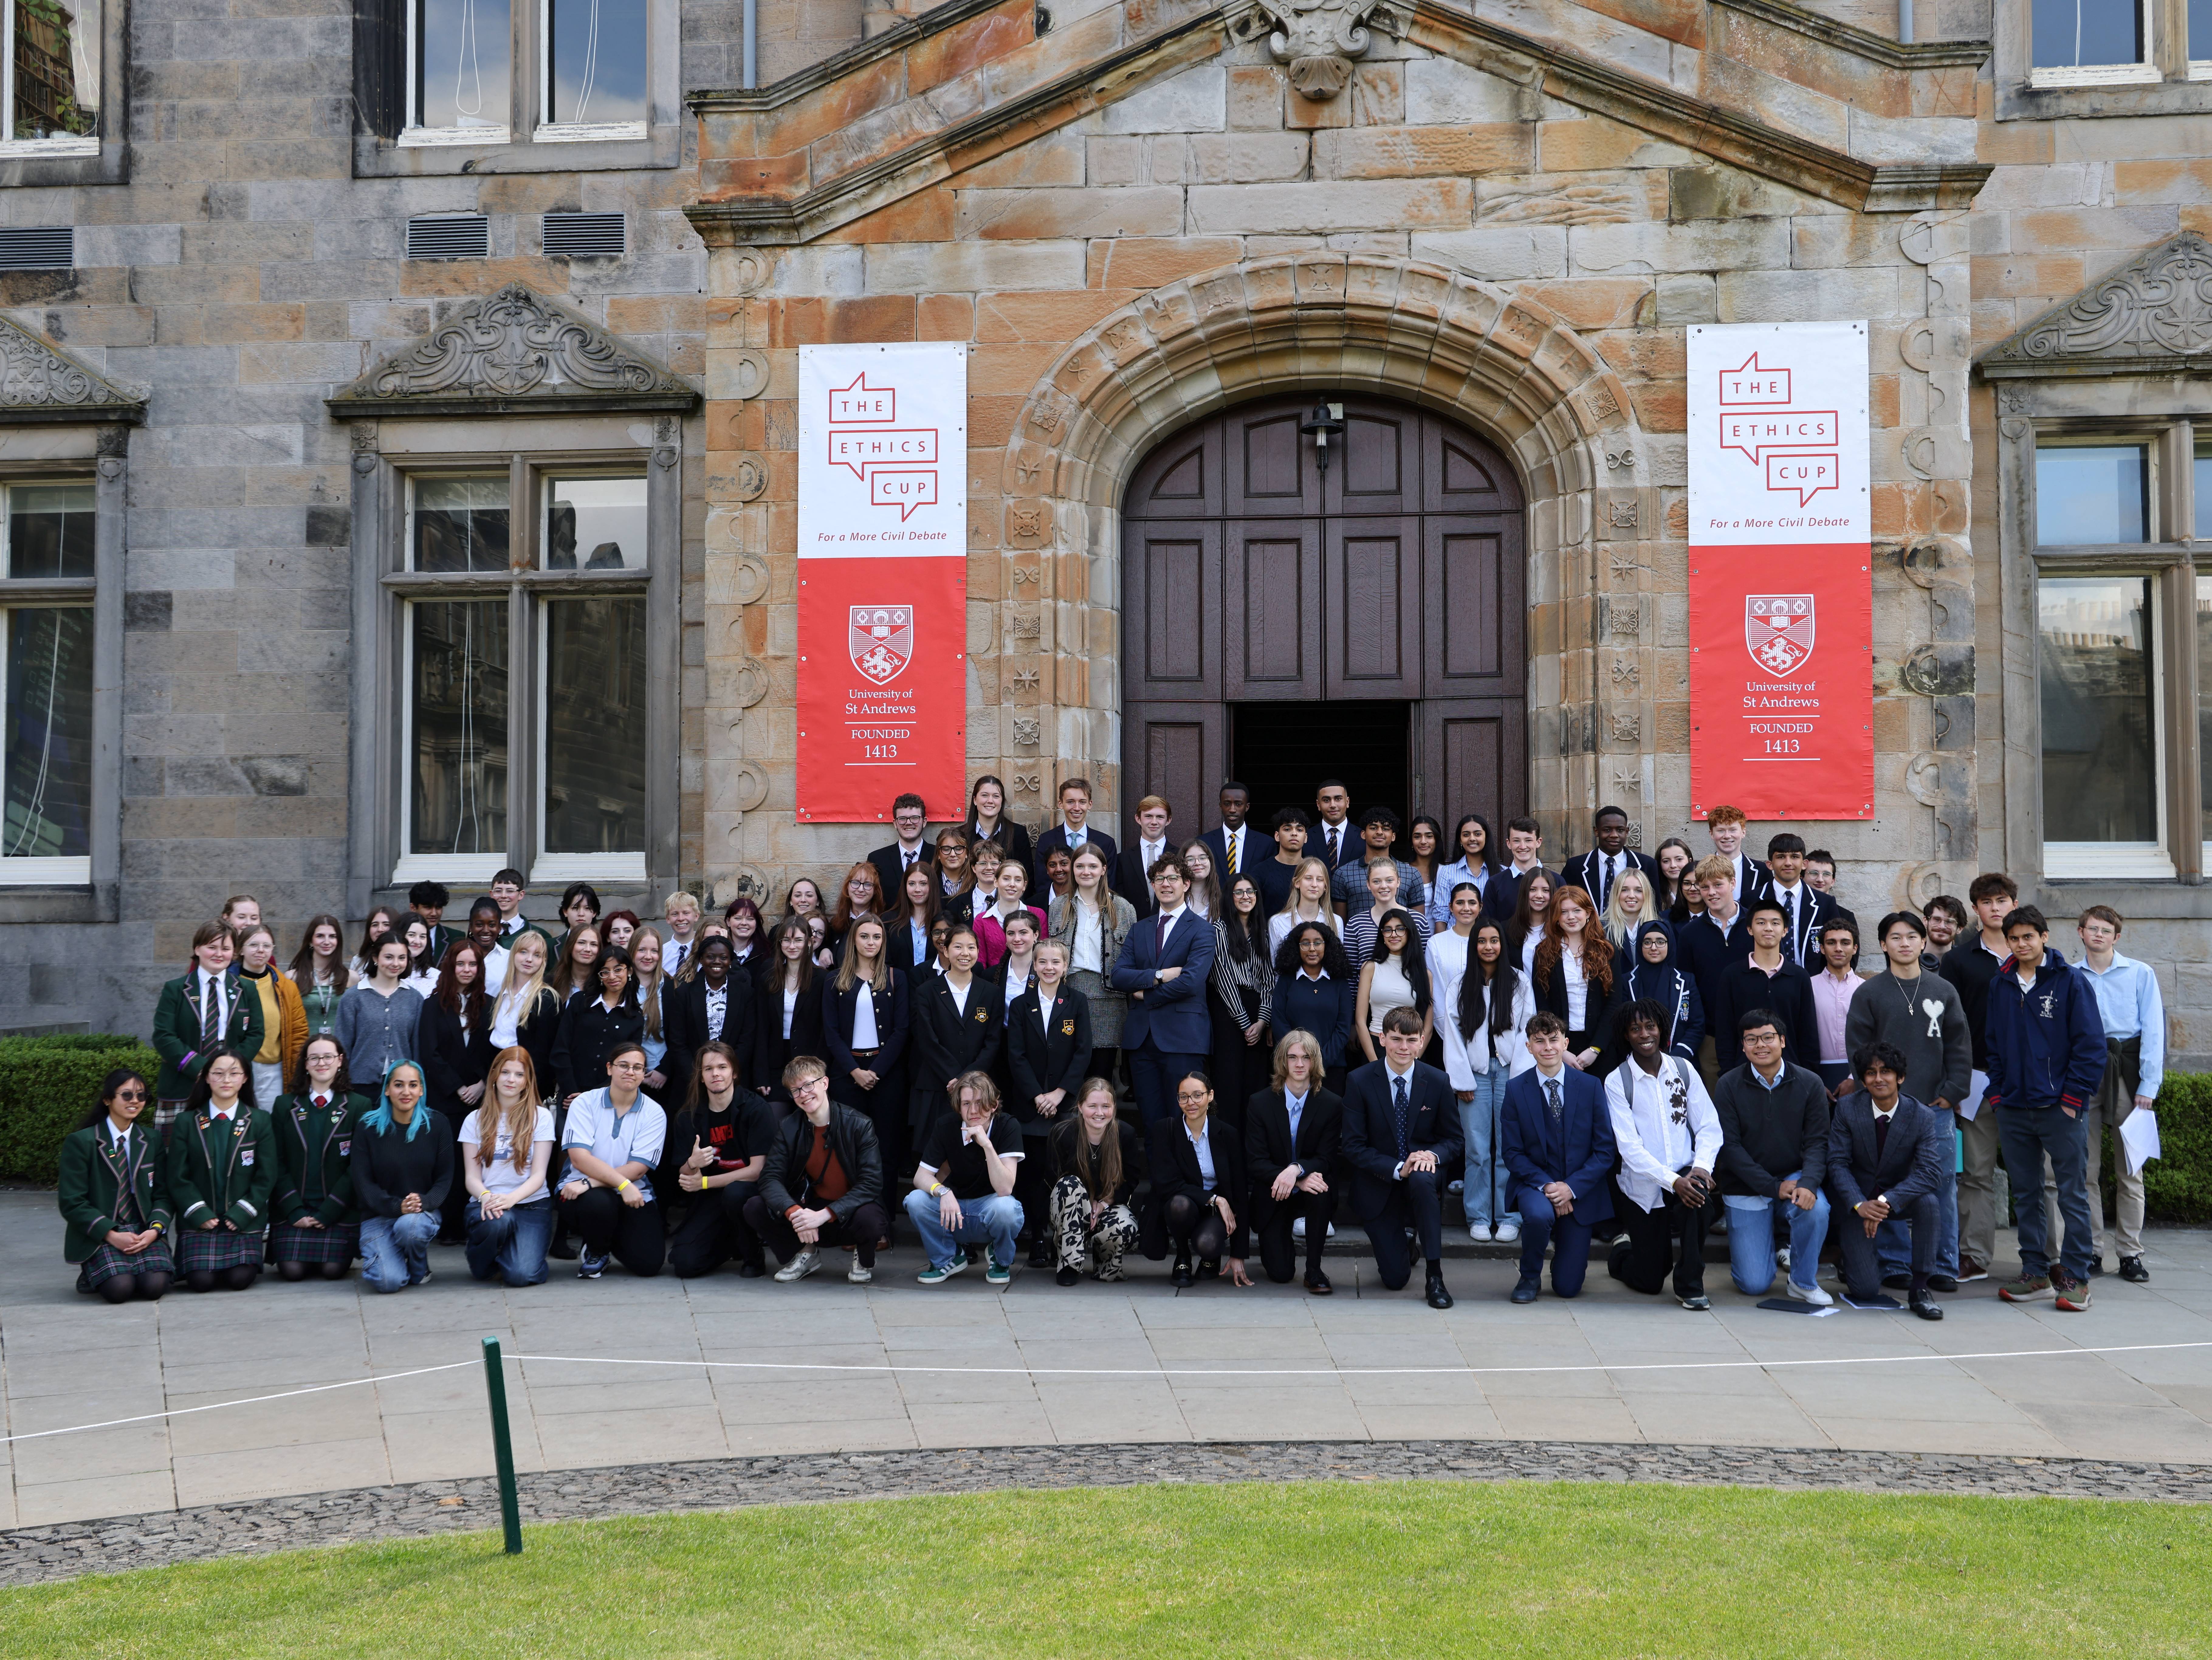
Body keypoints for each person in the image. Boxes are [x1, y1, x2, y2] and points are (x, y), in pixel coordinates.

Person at [1844, 910, 1970, 1292]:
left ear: (1922, 942)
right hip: (1886, 1109)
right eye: (1895, 937)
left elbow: (1959, 1046)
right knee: (1889, 1184)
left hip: (1934, 1108)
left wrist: (1952, 1092)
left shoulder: (1943, 990)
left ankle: (1942, 1264)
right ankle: (1895, 1261)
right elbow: (1858, 1052)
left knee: (1941, 1185)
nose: (1904, 943)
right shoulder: (1869, 992)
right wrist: (1875, 1092)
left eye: (1911, 936)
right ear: (1883, 945)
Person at [1988, 906, 2105, 1312]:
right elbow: (1994, 1046)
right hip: (2015, 1108)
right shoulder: (2000, 985)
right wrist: (1999, 1096)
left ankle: (2075, 1278)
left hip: (2061, 1108)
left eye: (2028, 937)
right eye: (2014, 939)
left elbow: (2091, 1047)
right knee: (2027, 1194)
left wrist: (2073, 1100)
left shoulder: (2070, 982)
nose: (2021, 945)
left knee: (2072, 1194)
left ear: (2044, 937)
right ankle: (2035, 1272)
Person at [1602, 1001, 1722, 1310]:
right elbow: (1628, 1148)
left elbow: (1709, 1126)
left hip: (1685, 1171)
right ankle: (1622, 1249)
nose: (1644, 1034)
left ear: (1662, 1029)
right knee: (1650, 1280)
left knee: (1698, 1200)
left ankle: (1689, 1284)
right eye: (1635, 1029)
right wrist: (1673, 1181)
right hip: (1643, 1186)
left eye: (1650, 1026)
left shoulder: (1683, 1069)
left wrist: (1699, 1169)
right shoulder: (1617, 1081)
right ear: (1626, 1036)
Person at [1338, 1007, 1459, 1307]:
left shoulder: (1438, 1081)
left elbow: (1455, 1140)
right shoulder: (1359, 1081)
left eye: (1410, 1040)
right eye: (1396, 1039)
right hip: (1379, 1182)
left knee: (1420, 1177)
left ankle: (1435, 1277)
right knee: (1394, 1279)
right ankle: (1406, 1242)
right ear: (1382, 1039)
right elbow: (1352, 1146)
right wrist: (1396, 1168)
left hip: (1422, 1176)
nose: (1403, 1047)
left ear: (1421, 1042)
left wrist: (1430, 1155)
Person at [1712, 1010, 1832, 1304]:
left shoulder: (1810, 1083)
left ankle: (1802, 1281)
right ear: (1743, 1046)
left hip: (1793, 1176)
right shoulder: (1727, 1085)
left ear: (1782, 1041)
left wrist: (1808, 1182)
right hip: (1745, 1186)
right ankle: (1762, 1251)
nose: (1760, 1045)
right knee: (1755, 1284)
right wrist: (1771, 1187)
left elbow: (1819, 1142)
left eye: (1768, 1038)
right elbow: (1730, 1147)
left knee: (1816, 1209)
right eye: (1751, 1039)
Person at [1432, 907, 1533, 1244]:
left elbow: (1525, 1030)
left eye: (1494, 941)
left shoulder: (1518, 982)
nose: (1488, 947)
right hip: (1474, 1076)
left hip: (1509, 1073)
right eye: (1481, 941)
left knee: (1509, 1148)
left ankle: (1508, 1215)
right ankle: (1477, 1215)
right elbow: (1453, 1035)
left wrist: (1519, 1078)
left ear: (1502, 944)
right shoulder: (1460, 985)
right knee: (1477, 1149)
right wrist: (1461, 1081)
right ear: (1473, 945)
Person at [1827, 1041, 1948, 1320]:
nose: (1879, 1079)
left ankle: (1920, 1289)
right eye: (1871, 1073)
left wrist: (1884, 1202)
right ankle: (1852, 1258)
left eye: (1886, 1072)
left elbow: (1930, 1172)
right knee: (1866, 1290)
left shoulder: (1921, 1116)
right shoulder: (1847, 1109)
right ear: (1863, 1080)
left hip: (1894, 1199)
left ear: (1901, 1077)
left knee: (1928, 1203)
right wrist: (1860, 1204)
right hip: (1855, 1201)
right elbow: (1837, 1163)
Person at [1500, 1013, 1616, 1302]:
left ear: (1566, 1043)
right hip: (1536, 1186)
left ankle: (1564, 1262)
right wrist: (1549, 1187)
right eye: (1539, 1041)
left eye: (1554, 1040)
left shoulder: (1590, 1087)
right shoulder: (1516, 1090)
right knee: (1539, 1215)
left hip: (1581, 1191)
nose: (1548, 1047)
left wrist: (1570, 1188)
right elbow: (1512, 1153)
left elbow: (1605, 1151)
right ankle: (1529, 1277)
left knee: (1567, 1288)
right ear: (1529, 1047)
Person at [2075, 905, 2161, 1284]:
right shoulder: (2070, 975)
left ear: (2116, 937)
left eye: (2105, 930)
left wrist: (2147, 1086)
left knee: (2131, 1170)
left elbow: (2154, 1030)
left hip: (2125, 1072)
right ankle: (2091, 1250)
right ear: (2080, 933)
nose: (2098, 935)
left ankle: (2129, 1253)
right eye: (2091, 929)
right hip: (2083, 1073)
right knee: (2084, 1169)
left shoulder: (2139, 973)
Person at [745, 1055, 888, 1283]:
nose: (803, 1094)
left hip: (848, 1213)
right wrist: (796, 1214)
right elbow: (770, 1178)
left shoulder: (859, 1125)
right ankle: (805, 1252)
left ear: (825, 1083)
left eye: (808, 1085)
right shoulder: (788, 1127)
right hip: (809, 1208)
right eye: (796, 1091)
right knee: (755, 1206)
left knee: (871, 1218)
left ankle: (862, 1257)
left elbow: (871, 1184)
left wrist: (825, 1215)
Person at [1943, 872, 2018, 1283]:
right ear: (1975, 909)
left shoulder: (2034, 954)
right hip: (1977, 1080)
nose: (1995, 907)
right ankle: (1973, 1254)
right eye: (1987, 902)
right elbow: (1952, 1027)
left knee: (2041, 1176)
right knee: (1975, 1172)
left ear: (2013, 904)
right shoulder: (1958, 960)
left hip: (2028, 1082)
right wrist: (1955, 1081)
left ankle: (2050, 1257)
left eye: (2002, 900)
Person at [1112, 855, 1216, 1132]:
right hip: (1142, 1041)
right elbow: (1120, 976)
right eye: (1159, 879)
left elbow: (1192, 982)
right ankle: (1161, 1178)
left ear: (1186, 884)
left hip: (1183, 1040)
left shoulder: (1203, 931)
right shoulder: (1140, 929)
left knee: (1185, 1122)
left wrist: (1145, 995)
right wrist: (1159, 976)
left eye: (1173, 879)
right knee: (1152, 1123)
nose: (1165, 884)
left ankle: (1185, 1177)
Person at [1005, 939, 1091, 1264]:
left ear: (1065, 966)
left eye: (1056, 962)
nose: (1049, 967)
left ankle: (1063, 1238)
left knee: (1062, 1173)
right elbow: (1016, 1055)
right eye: (1043, 962)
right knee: (1032, 1175)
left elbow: (1083, 1052)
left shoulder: (1077, 1002)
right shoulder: (1019, 1005)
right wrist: (1037, 1095)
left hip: (1064, 1106)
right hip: (1030, 1106)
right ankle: (1037, 1238)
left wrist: (1058, 1094)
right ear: (1034, 965)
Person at [664, 1041, 778, 1279]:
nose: (716, 1073)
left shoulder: (756, 1109)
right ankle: (730, 1243)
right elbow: (685, 1174)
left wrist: (704, 1183)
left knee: (735, 1194)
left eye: (723, 1067)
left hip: (751, 1192)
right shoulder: (688, 1116)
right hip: (712, 1197)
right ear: (701, 1077)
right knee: (685, 1264)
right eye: (708, 1069)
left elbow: (758, 1171)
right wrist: (693, 1163)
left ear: (734, 1073)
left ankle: (753, 1255)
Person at [59, 1068, 174, 1302]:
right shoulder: (82, 1142)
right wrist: (110, 1235)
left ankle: (130, 1269)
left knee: (155, 1287)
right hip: (103, 1232)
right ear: (107, 1100)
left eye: (141, 1096)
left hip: (143, 1229)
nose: (135, 1101)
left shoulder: (151, 1140)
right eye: (127, 1095)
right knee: (120, 1289)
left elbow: (163, 1194)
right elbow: (72, 1202)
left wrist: (155, 1230)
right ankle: (92, 1273)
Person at [164, 1049, 274, 1292]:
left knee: (239, 1280)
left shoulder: (260, 1120)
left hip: (243, 1220)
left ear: (245, 1078)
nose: (226, 1080)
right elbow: (177, 1176)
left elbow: (267, 1176)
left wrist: (244, 1212)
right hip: (201, 1220)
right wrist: (198, 1212)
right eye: (219, 1073)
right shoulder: (187, 1122)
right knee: (201, 1282)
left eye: (234, 1073)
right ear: (206, 1077)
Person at [556, 1042, 668, 1278]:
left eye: (638, 1068)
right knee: (599, 1203)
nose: (631, 1072)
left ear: (644, 1073)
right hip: (579, 1194)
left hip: (628, 1192)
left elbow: (638, 1170)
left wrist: (595, 1183)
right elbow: (579, 1159)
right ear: (609, 1069)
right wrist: (620, 1184)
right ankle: (597, 1251)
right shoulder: (584, 1103)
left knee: (649, 1264)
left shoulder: (655, 1112)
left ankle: (606, 1235)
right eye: (624, 1066)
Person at [908, 1070, 1027, 1285]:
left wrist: (986, 1144)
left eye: (980, 1103)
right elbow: (921, 1176)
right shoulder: (946, 1126)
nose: (973, 1111)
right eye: (966, 1104)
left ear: (994, 1105)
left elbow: (1005, 1189)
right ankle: (947, 1257)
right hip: (956, 1212)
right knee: (916, 1200)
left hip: (990, 1210)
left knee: (1008, 1209)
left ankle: (1000, 1258)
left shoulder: (1009, 1126)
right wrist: (943, 1191)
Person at [1244, 1031, 1341, 1292]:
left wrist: (1297, 1171)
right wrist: (1291, 1176)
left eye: (1306, 1058)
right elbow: (1256, 1161)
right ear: (1282, 1062)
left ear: (1315, 1062)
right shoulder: (1260, 1103)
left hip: (1309, 1188)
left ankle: (1314, 1270)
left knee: (1321, 1187)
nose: (1300, 1064)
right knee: (1281, 1273)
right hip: (1274, 1192)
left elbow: (1328, 1158)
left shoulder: (1331, 1104)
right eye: (1293, 1057)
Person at [822, 916, 911, 1202]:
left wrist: (876, 1071)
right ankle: (852, 1219)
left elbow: (902, 1030)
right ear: (854, 940)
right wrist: (855, 1071)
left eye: (877, 937)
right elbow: (831, 1033)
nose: (871, 943)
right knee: (848, 1147)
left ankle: (882, 1220)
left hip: (886, 1074)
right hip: (847, 1075)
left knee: (886, 1147)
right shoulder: (835, 980)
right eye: (865, 937)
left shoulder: (897, 977)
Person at [269, 1034, 365, 1282]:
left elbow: (358, 1166)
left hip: (337, 1210)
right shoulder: (284, 1106)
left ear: (340, 1061)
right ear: (306, 1064)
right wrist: (293, 1210)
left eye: (328, 1057)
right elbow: (275, 1162)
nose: (322, 1063)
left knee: (333, 1272)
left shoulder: (359, 1106)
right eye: (314, 1058)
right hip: (295, 1209)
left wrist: (328, 1212)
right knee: (292, 1272)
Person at [416, 939, 493, 1243]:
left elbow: (494, 1051)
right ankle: (448, 1226)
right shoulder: (433, 1006)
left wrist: (482, 1084)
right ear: (450, 966)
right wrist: (458, 1087)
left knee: (476, 1162)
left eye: (472, 964)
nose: (466, 969)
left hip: (481, 1098)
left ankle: (472, 1222)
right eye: (460, 963)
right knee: (447, 1163)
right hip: (445, 1099)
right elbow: (429, 1053)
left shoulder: (489, 1003)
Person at [349, 1060, 451, 1294]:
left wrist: (422, 1203)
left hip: (420, 1214)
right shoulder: (367, 1127)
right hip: (378, 1215)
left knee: (410, 1228)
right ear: (387, 1089)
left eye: (413, 1085)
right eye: (399, 1085)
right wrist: (397, 1207)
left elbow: (445, 1180)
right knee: (389, 1282)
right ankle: (392, 1256)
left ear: (422, 1090)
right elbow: (363, 1183)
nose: (406, 1092)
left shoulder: (438, 1124)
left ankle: (418, 1266)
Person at [1142, 1070, 1250, 1288]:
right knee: (1179, 1204)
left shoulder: (1228, 1134)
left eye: (1197, 1095)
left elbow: (1239, 1190)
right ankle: (1183, 1258)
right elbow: (1167, 1184)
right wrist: (1215, 1198)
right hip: (1182, 1204)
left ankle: (1211, 1258)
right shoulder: (1165, 1130)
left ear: (1210, 1096)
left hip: (1214, 1213)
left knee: (1208, 1244)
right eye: (1184, 1097)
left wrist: (1239, 1254)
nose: (1190, 1103)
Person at [459, 1047, 556, 1288]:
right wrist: (486, 1197)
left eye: (519, 1075)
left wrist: (511, 1199)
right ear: (494, 1076)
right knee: (498, 1224)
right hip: (487, 1204)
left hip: (532, 1205)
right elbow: (472, 1178)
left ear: (527, 1081)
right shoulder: (474, 1120)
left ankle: (516, 1252)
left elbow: (539, 1176)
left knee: (522, 1275)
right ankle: (486, 1256)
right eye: (505, 1073)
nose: (511, 1080)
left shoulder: (541, 1117)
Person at [153, 921, 266, 1127]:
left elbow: (256, 1034)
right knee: (179, 1154)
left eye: (225, 949)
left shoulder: (246, 989)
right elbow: (164, 1036)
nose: (219, 954)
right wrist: (200, 1069)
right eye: (212, 947)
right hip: (183, 1085)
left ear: (234, 953)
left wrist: (229, 1071)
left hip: (231, 1087)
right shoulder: (175, 989)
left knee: (230, 1152)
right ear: (197, 949)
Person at [912, 922, 1006, 1150]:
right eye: (958, 947)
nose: (965, 954)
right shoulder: (927, 991)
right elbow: (927, 1041)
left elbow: (993, 1041)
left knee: (976, 1152)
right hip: (939, 1084)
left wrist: (967, 1079)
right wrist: (955, 1078)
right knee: (937, 1151)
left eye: (971, 948)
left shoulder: (991, 993)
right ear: (945, 950)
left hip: (980, 1087)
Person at [1048, 1078, 1145, 1284]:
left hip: (1107, 1205)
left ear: (1114, 1108)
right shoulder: (1063, 1133)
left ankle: (1106, 1263)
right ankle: (1069, 1262)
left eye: (1106, 1106)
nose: (1099, 1113)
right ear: (1080, 1107)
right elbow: (1053, 1180)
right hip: (1072, 1209)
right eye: (1092, 1106)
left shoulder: (1125, 1134)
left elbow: (1131, 1181)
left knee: (1127, 1226)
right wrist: (1086, 1200)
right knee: (1070, 1185)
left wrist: (1103, 1202)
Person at [1052, 843, 1133, 1087]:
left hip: (1109, 998)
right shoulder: (1058, 907)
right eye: (1080, 866)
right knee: (1070, 1071)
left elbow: (1133, 957)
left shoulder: (1123, 908)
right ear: (1073, 870)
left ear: (1104, 869)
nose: (1086, 871)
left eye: (1092, 866)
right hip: (1069, 995)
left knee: (1101, 1076)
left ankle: (1100, 1124)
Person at [1711, 898, 1816, 1075]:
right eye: (1761, 923)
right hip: (1743, 1073)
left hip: (1792, 1074)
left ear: (1785, 931)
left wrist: (1807, 1075)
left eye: (1775, 923)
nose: (1768, 928)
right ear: (1750, 929)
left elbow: (1808, 1032)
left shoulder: (1799, 977)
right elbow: (1725, 1031)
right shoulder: (1732, 976)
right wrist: (1730, 1072)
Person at [1207, 873, 1275, 1125]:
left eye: (1251, 892)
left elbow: (1269, 979)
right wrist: (1246, 1023)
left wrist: (1262, 1021)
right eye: (1239, 892)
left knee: (1255, 1083)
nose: (1246, 897)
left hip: (1257, 1013)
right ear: (1230, 897)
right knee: (1229, 1081)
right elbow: (1223, 977)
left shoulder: (1263, 931)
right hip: (1228, 1013)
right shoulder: (1219, 930)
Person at [1677, 855, 1749, 1086]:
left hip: (1755, 1029)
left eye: (1718, 885)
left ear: (1733, 883)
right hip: (1710, 1035)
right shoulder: (1690, 933)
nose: (1712, 892)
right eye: (1705, 887)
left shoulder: (1756, 924)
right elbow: (1687, 987)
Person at [1530, 885, 1616, 1070]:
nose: (1571, 917)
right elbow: (1542, 1005)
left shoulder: (1606, 951)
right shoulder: (1543, 952)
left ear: (1588, 914)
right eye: (1564, 912)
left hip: (1601, 1045)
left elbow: (1614, 1004)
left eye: (1577, 910)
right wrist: (1560, 1048)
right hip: (1559, 1048)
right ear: (1556, 917)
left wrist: (1595, 1048)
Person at [551, 945, 644, 1104]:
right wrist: (572, 1092)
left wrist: (594, 1098)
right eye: (605, 972)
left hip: (607, 1099)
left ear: (629, 972)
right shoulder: (579, 1002)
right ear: (599, 976)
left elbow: (628, 1064)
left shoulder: (635, 1016)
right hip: (570, 1096)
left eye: (618, 970)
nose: (612, 977)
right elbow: (560, 1050)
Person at [231, 922, 307, 1113]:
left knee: (269, 1123)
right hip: (235, 1066)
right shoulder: (228, 984)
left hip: (274, 1069)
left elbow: (299, 1031)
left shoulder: (287, 987)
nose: (260, 950)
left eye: (267, 946)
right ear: (241, 950)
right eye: (254, 945)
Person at [666, 935, 755, 1096]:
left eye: (723, 958)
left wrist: (730, 1072)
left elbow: (747, 1039)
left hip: (735, 1079)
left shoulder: (746, 994)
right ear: (701, 960)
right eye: (710, 957)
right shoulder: (684, 994)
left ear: (730, 961)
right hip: (692, 1080)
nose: (717, 962)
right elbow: (677, 1041)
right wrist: (697, 1075)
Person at [1611, 919, 1702, 1072]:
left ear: (1670, 944)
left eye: (1661, 942)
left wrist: (1676, 1058)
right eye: (1647, 942)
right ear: (1640, 946)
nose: (1654, 947)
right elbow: (1622, 1026)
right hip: (1639, 1064)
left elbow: (1697, 1025)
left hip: (1680, 1062)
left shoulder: (1686, 980)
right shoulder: (1627, 981)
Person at [331, 934, 421, 1088]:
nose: (396, 963)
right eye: (389, 957)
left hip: (402, 1086)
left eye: (402, 958)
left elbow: (417, 1047)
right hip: (360, 1084)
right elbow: (342, 1045)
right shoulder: (353, 997)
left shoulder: (415, 999)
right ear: (375, 958)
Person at [754, 916, 825, 1103]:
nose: (792, 946)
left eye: (798, 940)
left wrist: (821, 1070)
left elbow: (826, 1029)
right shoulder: (768, 978)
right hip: (775, 1064)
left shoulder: (823, 979)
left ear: (809, 943)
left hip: (810, 1065)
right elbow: (761, 1028)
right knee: (776, 1122)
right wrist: (761, 1073)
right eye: (787, 940)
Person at [1270, 921, 1355, 1070]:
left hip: (1332, 1066)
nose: (1312, 949)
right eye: (1305, 944)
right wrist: (1300, 1059)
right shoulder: (1287, 980)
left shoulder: (1339, 982)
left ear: (1326, 946)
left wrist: (1320, 1062)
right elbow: (1279, 1021)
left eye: (1318, 943)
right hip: (1293, 1067)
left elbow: (1343, 1028)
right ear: (1297, 947)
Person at [1354, 907, 1432, 1064]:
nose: (1394, 935)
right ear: (1382, 935)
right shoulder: (1370, 968)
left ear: (1409, 933)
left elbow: (1428, 1027)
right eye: (1388, 930)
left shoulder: (1424, 974)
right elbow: (1360, 1021)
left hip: (1409, 1049)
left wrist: (1414, 1060)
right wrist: (1375, 1062)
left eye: (1400, 929)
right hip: (1376, 1046)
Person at [488, 928, 561, 1090]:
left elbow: (544, 1056)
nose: (529, 959)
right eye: (524, 952)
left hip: (527, 1082)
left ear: (543, 961)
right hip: (496, 1076)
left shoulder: (547, 999)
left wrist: (531, 1090)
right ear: (513, 954)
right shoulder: (502, 994)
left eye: (537, 955)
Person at [1563, 805, 1661, 915]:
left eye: (1620, 830)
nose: (1614, 835)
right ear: (1596, 832)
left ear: (1627, 832)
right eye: (1607, 830)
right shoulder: (1576, 866)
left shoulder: (1647, 865)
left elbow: (1655, 909)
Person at [1331, 808, 1427, 916]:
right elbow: (1339, 925)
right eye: (1373, 828)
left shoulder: (1412, 874)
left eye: (1386, 829)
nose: (1380, 832)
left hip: (1398, 933)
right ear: (1363, 834)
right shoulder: (1344, 874)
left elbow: (1418, 923)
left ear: (1394, 836)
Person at [1807, 918, 1865, 1094]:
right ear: (1823, 949)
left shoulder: (1867, 989)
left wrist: (1855, 1078)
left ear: (1855, 949)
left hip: (1861, 1077)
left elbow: (1874, 1037)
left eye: (1845, 943)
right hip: (1815, 1077)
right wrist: (1813, 1081)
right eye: (1831, 943)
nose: (1839, 948)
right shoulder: (1808, 987)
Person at [1032, 776, 1117, 896]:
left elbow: (1109, 884)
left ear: (1090, 804)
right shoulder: (1046, 840)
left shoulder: (1106, 843)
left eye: (1082, 802)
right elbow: (1042, 883)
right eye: (1071, 802)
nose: (1077, 808)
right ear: (1061, 804)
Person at [1762, 833, 1837, 965]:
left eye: (1795, 857)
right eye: (1781, 857)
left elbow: (1836, 945)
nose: (1788, 863)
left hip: (1812, 981)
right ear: (1770, 865)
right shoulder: (1752, 900)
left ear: (1804, 864)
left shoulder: (1825, 903)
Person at [1342, 856, 1431, 964]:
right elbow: (1351, 973)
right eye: (1377, 882)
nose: (1384, 886)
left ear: (1398, 882)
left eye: (1389, 880)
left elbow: (1425, 965)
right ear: (1369, 885)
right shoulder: (1355, 924)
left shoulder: (1418, 920)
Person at [1429, 814, 1498, 932]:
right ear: (1460, 840)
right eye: (1466, 835)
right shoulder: (1448, 872)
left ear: (1486, 838)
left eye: (1478, 834)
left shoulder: (1501, 872)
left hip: (1489, 941)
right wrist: (1439, 945)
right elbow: (1441, 914)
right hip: (1454, 939)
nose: (1472, 839)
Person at [287, 914, 350, 1042]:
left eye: (332, 937)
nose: (327, 942)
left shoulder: (351, 978)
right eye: (320, 936)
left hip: (339, 1053)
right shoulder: (293, 977)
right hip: (305, 1051)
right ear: (311, 941)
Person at [963, 773, 1034, 884]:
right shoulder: (961, 835)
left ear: (1002, 802)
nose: (990, 801)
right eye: (985, 795)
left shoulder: (1018, 834)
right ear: (975, 800)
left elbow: (1027, 877)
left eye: (996, 796)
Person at [1267, 855, 1341, 958]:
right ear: (1297, 883)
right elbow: (1277, 968)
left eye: (1320, 880)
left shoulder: (1336, 922)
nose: (1314, 884)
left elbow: (1338, 963)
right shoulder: (1278, 922)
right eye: (1308, 878)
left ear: (1326, 887)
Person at [1115, 794, 1176, 918]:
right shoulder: (1122, 859)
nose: (1154, 822)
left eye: (1160, 817)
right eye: (1149, 816)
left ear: (1168, 820)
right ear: (1139, 819)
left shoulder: (1180, 856)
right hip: (1132, 928)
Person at [869, 791, 936, 902]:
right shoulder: (877, 859)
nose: (909, 823)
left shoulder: (938, 856)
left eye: (915, 818)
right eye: (902, 819)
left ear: (924, 822)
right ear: (895, 823)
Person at [1488, 816, 1551, 922]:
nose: (1523, 847)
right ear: (1509, 843)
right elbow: (1489, 925)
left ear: (1539, 842)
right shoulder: (1495, 884)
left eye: (1528, 841)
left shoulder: (1557, 881)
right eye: (1517, 841)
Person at [1704, 804, 1771, 905]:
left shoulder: (1763, 871)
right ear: (1712, 834)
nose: (1727, 836)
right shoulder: (1701, 869)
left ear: (1743, 833)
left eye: (1733, 830)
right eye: (1721, 831)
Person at [887, 861, 943, 976]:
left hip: (935, 989)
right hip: (898, 989)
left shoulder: (944, 921)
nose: (918, 889)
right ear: (905, 887)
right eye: (912, 884)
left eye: (923, 884)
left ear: (932, 886)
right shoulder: (889, 920)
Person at [1201, 781, 1262, 883]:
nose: (1232, 809)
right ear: (1221, 806)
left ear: (1247, 807)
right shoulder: (1204, 842)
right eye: (1227, 804)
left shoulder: (1265, 845)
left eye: (1238, 804)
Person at [1255, 806, 1310, 916]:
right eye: (1287, 829)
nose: (1294, 834)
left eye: (1299, 830)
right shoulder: (1260, 871)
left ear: (1306, 838)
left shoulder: (1314, 871)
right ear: (1277, 836)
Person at [824, 863, 884, 962]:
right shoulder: (837, 922)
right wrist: (824, 949)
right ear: (848, 887)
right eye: (856, 883)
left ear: (875, 891)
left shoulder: (883, 923)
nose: (861, 889)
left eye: (868, 885)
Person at [1599, 867, 1660, 957]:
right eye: (1625, 890)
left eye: (1638, 891)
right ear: (1616, 894)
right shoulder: (1600, 928)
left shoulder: (1660, 926)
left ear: (1646, 894)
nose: (1632, 896)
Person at [1504, 868, 1553, 977]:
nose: (1539, 895)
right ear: (1525, 892)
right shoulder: (1506, 930)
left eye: (1546, 890)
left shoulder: (1559, 930)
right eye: (1533, 890)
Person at [549, 922, 604, 1006]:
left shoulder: (604, 983)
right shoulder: (552, 982)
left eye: (594, 944)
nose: (588, 949)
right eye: (582, 943)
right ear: (570, 946)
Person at [933, 825, 978, 925]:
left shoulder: (977, 884)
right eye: (946, 849)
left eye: (959, 849)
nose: (953, 854)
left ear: (966, 854)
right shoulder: (930, 884)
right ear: (938, 855)